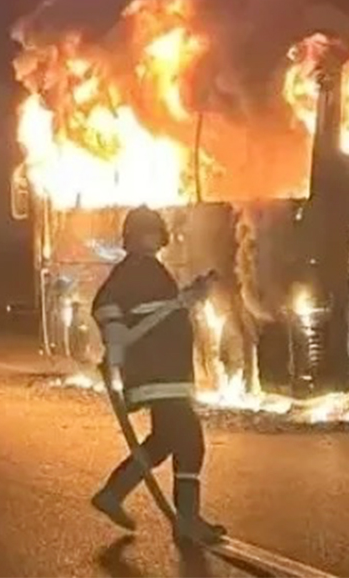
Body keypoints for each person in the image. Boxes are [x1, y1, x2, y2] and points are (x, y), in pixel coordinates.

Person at [89, 205, 226, 546]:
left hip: (163, 374)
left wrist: (189, 297)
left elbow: (159, 311)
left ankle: (113, 493)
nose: (156, 238)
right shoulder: (136, 269)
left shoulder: (144, 269)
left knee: (165, 440)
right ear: (139, 235)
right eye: (151, 232)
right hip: (158, 375)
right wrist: (117, 344)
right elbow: (107, 307)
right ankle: (187, 521)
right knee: (190, 441)